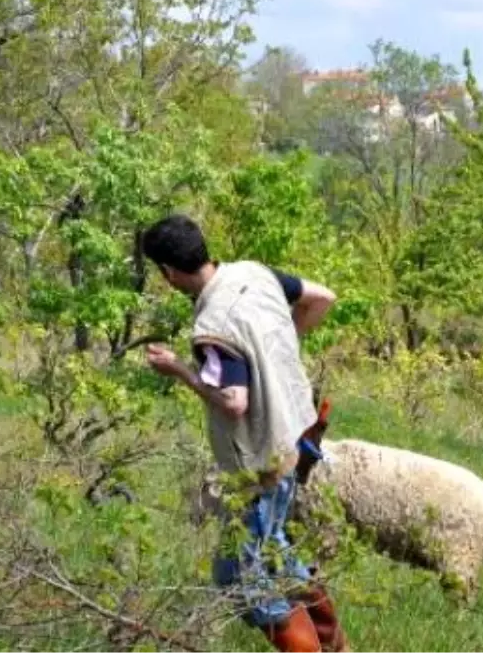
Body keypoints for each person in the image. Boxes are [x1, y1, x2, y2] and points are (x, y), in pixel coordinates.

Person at [138, 213, 347, 653]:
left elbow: (235, 401)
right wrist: (276, 347)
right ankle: (337, 647)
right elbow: (323, 298)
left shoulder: (213, 326)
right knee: (276, 549)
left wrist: (179, 370)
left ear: (169, 272)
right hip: (297, 439)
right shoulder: (255, 273)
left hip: (261, 460)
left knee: (243, 578)